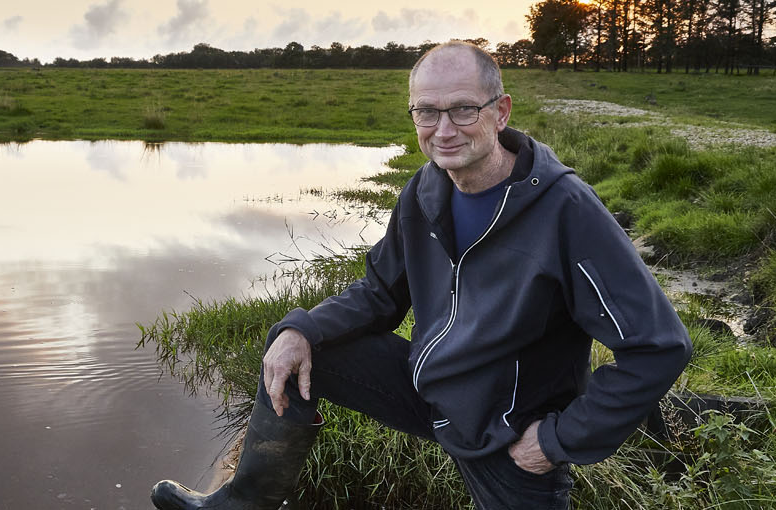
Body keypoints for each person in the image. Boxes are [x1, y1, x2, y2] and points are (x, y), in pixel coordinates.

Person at [151, 41, 693, 510]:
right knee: (294, 346)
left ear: (501, 111)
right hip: (428, 390)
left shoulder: (565, 210)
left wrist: (553, 442)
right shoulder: (425, 190)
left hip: (505, 433)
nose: (444, 130)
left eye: (463, 110)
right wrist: (301, 330)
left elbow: (659, 347)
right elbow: (381, 293)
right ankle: (243, 501)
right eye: (426, 113)